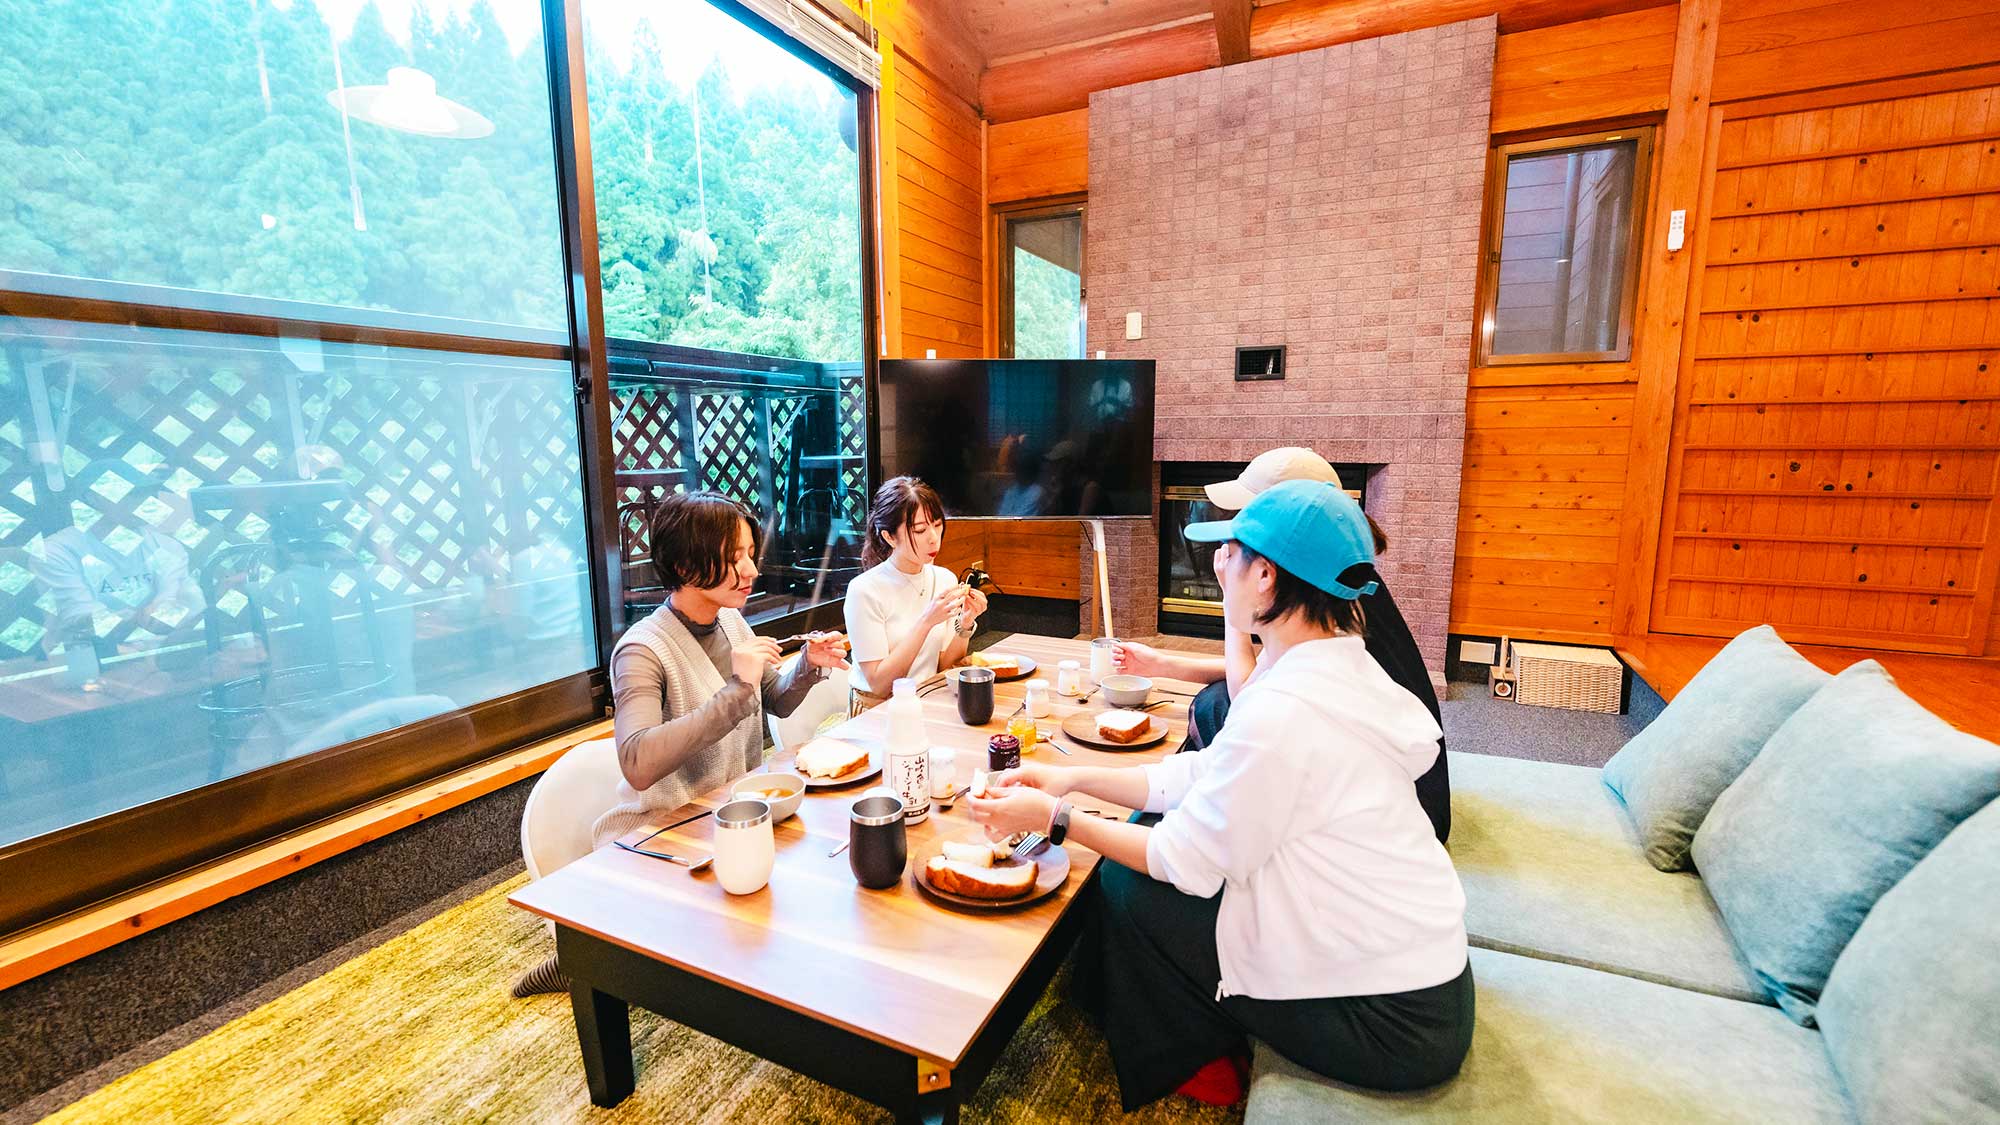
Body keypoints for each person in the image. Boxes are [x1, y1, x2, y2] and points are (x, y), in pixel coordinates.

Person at [968, 480, 1473, 1110]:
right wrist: (1071, 778)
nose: (1215, 562)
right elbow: (1205, 772)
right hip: (1419, 977)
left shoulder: (1289, 708)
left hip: (1390, 1022)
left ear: (1265, 575)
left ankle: (1201, 1063)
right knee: (1143, 829)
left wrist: (1057, 818)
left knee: (1127, 887)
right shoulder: (1328, 661)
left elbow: (1183, 860)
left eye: (1228, 551)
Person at [510, 490, 847, 998]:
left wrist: (807, 666)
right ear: (687, 565)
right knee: (726, 960)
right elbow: (638, 762)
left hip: (727, 817)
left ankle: (611, 950)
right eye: (734, 557)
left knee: (802, 898)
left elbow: (774, 700)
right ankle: (586, 955)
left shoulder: (729, 619)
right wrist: (736, 689)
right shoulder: (641, 650)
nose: (751, 569)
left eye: (749, 553)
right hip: (660, 833)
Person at [1115, 446, 1453, 842]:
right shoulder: (1335, 582)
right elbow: (1274, 671)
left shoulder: (1332, 606)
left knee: (1214, 706)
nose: (1238, 523)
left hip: (1397, 818)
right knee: (1215, 702)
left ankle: (1199, 814)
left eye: (1251, 511)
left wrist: (1231, 601)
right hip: (1400, 793)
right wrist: (1163, 665)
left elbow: (1248, 696)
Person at [842, 476, 987, 706]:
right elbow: (880, 685)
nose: (933, 539)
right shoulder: (864, 590)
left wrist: (965, 623)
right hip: (876, 710)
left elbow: (945, 666)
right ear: (889, 537)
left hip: (927, 699)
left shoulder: (944, 579)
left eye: (937, 525)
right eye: (920, 530)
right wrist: (926, 621)